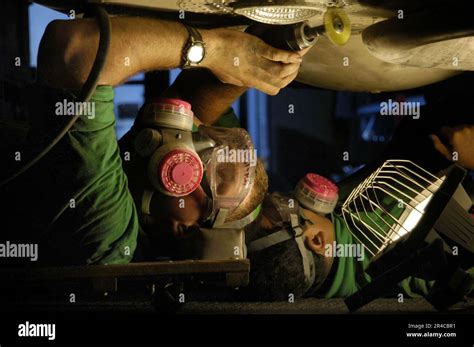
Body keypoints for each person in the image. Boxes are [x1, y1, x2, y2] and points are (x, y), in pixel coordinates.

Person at [1, 15, 306, 266]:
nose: (199, 137)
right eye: (211, 139)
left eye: (216, 173)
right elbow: (202, 98)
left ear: (184, 229)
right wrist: (273, 49)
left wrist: (211, 50)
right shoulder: (150, 197)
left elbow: (75, 48)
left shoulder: (109, 237)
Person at [242, 121, 474, 301]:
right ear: (316, 239)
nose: (288, 197)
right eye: (281, 208)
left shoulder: (339, 226)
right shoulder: (414, 266)